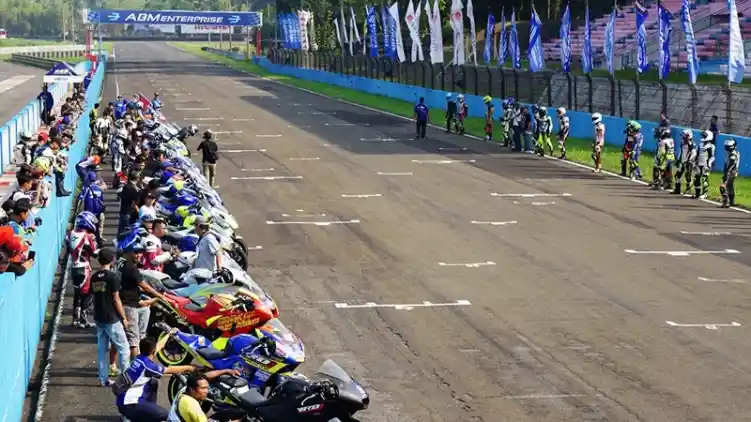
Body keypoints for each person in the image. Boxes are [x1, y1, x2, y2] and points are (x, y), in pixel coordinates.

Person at [116, 336, 198, 422]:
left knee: (153, 382)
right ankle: (131, 417)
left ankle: (146, 411)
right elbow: (170, 369)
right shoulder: (148, 366)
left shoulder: (138, 358)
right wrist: (191, 367)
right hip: (129, 405)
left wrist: (169, 334)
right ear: (153, 351)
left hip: (123, 400)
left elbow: (158, 346)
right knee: (164, 414)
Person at [117, 237, 164, 357]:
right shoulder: (131, 268)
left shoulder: (121, 264)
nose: (138, 255)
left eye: (140, 252)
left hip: (128, 303)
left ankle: (141, 338)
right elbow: (144, 285)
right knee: (133, 340)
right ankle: (135, 365)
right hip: (128, 305)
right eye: (135, 252)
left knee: (145, 310)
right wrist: (159, 295)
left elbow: (135, 285)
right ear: (128, 253)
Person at [90, 248, 130, 385]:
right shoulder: (113, 277)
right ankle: (126, 381)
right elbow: (116, 299)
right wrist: (123, 317)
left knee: (102, 350)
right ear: (112, 260)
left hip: (99, 317)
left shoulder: (94, 277)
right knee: (124, 349)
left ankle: (103, 379)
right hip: (111, 317)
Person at [168, 371, 246, 422]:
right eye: (203, 388)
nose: (207, 391)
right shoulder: (193, 406)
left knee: (235, 412)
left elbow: (206, 376)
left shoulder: (186, 389)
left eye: (207, 387)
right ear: (192, 389)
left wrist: (227, 371)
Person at [69, 211, 99, 328]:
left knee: (77, 293)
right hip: (84, 267)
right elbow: (94, 252)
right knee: (86, 293)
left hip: (74, 266)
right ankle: (83, 320)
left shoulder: (70, 233)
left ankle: (75, 318)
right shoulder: (87, 236)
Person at [80, 171, 107, 243]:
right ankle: (98, 240)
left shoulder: (85, 189)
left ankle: (90, 242)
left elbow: (81, 200)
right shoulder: (98, 189)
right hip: (97, 213)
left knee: (88, 229)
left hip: (88, 213)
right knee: (97, 227)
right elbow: (101, 200)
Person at [672, 129, 696, 195]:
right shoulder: (682, 143)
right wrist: (678, 160)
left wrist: (689, 160)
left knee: (688, 176)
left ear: (689, 136)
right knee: (677, 175)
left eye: (685, 136)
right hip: (682, 162)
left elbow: (694, 153)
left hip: (688, 162)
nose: (683, 137)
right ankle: (677, 190)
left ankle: (688, 189)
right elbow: (681, 152)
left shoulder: (692, 144)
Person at [118, 171, 141, 235]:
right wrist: (140, 213)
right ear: (137, 178)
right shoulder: (135, 190)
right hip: (129, 213)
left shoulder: (126, 186)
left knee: (121, 231)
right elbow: (134, 204)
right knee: (127, 232)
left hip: (123, 211)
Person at [720, 138, 740, 208]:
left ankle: (725, 202)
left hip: (730, 172)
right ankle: (731, 202)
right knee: (730, 187)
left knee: (723, 187)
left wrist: (727, 173)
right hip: (733, 172)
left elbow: (732, 164)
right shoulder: (734, 152)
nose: (726, 147)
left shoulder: (732, 154)